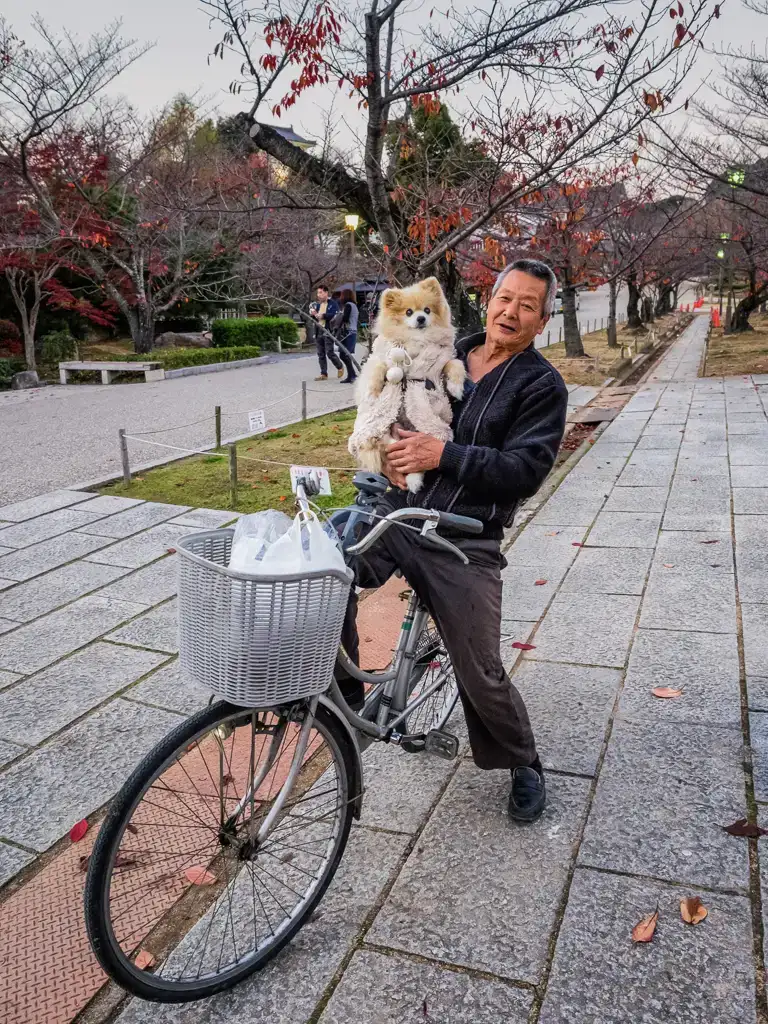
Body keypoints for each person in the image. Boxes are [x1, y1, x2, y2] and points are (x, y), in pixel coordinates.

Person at [339, 259, 568, 822]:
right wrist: (390, 457)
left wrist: (444, 454)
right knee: (325, 569)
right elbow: (389, 406)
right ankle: (344, 700)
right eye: (505, 298)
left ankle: (523, 761)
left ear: (542, 320)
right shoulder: (443, 349)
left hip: (466, 537)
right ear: (488, 300)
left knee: (480, 670)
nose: (511, 312)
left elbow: (525, 471)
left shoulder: (541, 384)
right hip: (400, 512)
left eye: (527, 306)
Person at [309, 285, 356, 383]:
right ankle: (323, 373)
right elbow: (316, 318)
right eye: (318, 293)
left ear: (326, 293)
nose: (319, 295)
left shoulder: (333, 303)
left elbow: (336, 316)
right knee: (320, 353)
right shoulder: (317, 305)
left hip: (328, 331)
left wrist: (324, 315)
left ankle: (339, 366)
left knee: (329, 352)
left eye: (321, 292)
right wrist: (313, 314)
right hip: (318, 330)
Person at [335, 288, 359, 355]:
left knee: (344, 354)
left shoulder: (348, 305)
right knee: (346, 354)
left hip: (348, 332)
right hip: (353, 331)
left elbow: (345, 318)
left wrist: (338, 318)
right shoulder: (354, 305)